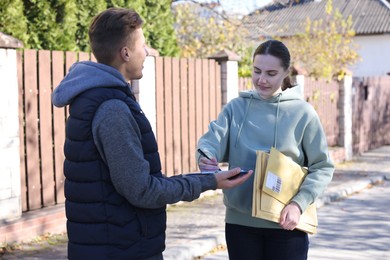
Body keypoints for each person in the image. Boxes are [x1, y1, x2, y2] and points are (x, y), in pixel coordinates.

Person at [51, 7, 252, 260]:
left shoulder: (100, 97)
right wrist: (210, 181)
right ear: (125, 53)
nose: (146, 52)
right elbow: (143, 191)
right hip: (121, 250)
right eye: (143, 46)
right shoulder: (111, 109)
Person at [196, 39, 334, 260]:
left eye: (271, 73)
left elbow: (323, 166)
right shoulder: (236, 108)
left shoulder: (303, 113)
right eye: (257, 71)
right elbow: (211, 142)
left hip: (287, 224)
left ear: (285, 72)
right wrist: (206, 157)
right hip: (240, 223)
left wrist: (299, 204)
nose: (261, 79)